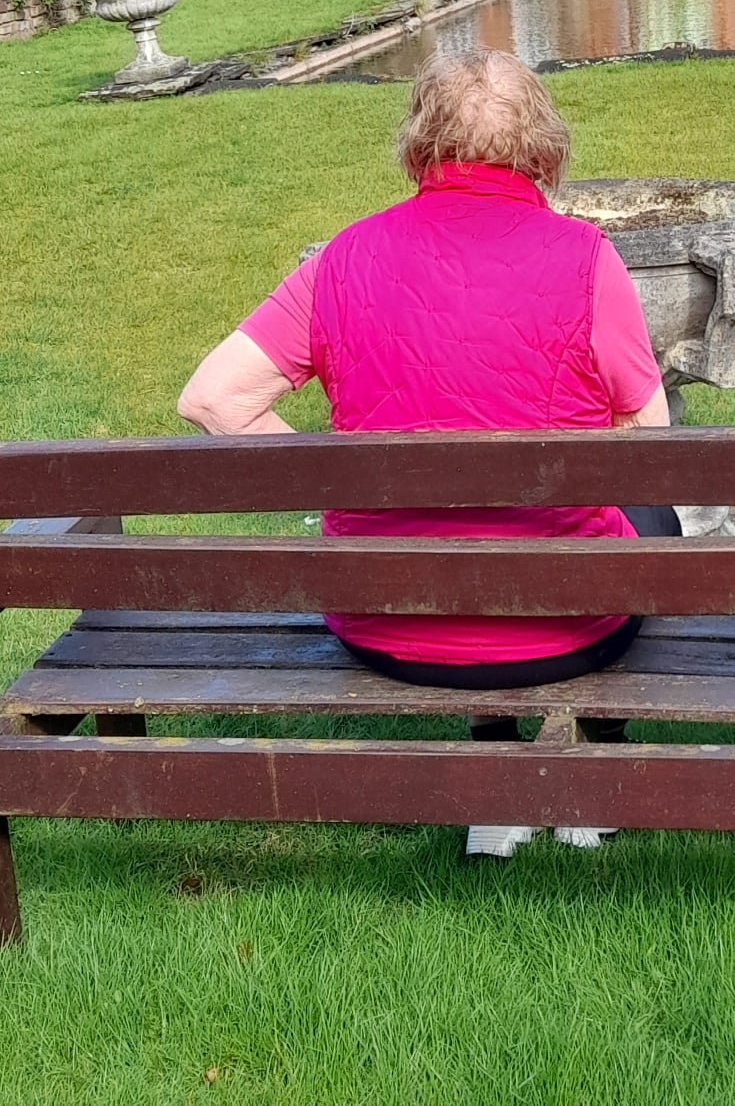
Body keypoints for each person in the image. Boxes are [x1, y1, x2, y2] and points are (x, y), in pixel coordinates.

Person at [179, 47, 679, 858]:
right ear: (543, 147)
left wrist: (337, 487)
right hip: (567, 625)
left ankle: (496, 773)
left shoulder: (342, 259)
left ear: (420, 143)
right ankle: (593, 762)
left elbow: (213, 399)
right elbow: (648, 437)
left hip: (384, 622)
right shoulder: (587, 257)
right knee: (651, 513)